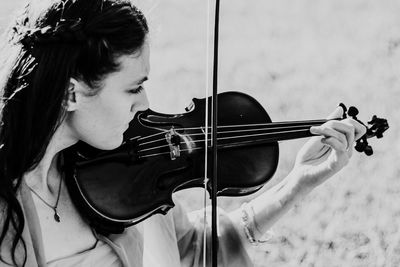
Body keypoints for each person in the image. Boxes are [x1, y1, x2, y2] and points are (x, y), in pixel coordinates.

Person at [0, 0, 366, 266]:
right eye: (132, 88)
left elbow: (194, 248)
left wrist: (298, 182)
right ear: (71, 93)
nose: (144, 105)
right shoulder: (8, 211)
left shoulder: (131, 171)